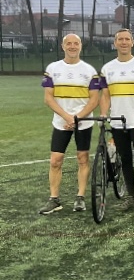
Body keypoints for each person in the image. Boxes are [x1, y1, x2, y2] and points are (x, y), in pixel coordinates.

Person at [39, 34, 100, 214]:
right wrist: (67, 117)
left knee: (83, 158)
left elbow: (94, 100)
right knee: (55, 161)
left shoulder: (89, 70)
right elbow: (48, 98)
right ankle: (54, 199)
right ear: (62, 46)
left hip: (83, 122)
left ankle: (80, 197)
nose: (72, 46)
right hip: (61, 122)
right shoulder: (53, 68)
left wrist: (77, 118)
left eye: (76, 43)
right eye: (69, 43)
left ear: (81, 46)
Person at [99, 28, 134, 215]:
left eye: (127, 39)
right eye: (120, 39)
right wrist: (103, 114)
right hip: (117, 123)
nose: (123, 42)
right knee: (125, 160)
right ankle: (130, 197)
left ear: (132, 42)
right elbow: (105, 96)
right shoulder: (107, 69)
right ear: (115, 43)